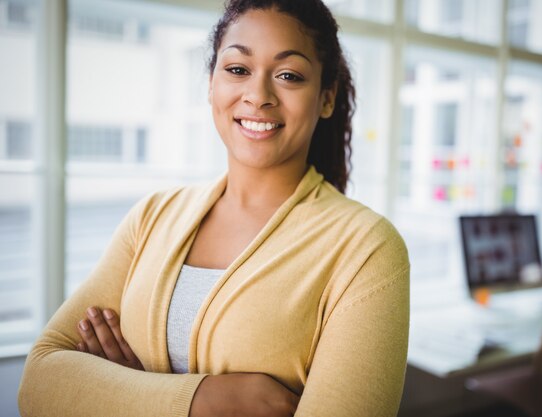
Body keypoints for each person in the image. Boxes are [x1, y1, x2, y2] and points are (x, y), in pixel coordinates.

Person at [18, 0, 410, 416]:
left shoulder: (368, 249)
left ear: (326, 98)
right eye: (237, 70)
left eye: (289, 75)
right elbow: (39, 382)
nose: (258, 96)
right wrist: (198, 400)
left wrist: (120, 391)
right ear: (210, 85)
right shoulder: (153, 216)